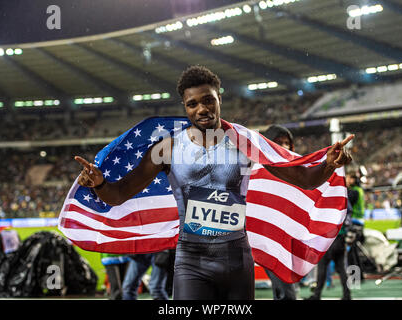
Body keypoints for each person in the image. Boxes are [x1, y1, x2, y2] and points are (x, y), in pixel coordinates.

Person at [74, 65, 353, 300]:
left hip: (237, 260)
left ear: (219, 97)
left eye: (208, 100)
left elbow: (304, 179)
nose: (201, 109)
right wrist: (99, 183)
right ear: (185, 107)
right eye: (192, 104)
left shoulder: (245, 142)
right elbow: (120, 193)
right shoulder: (166, 150)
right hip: (190, 263)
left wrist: (329, 163)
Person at [262, 124, 297, 300]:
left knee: (283, 291)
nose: (284, 146)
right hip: (270, 240)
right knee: (287, 292)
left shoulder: (296, 171)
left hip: (290, 240)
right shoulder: (257, 169)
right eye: (278, 142)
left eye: (287, 143)